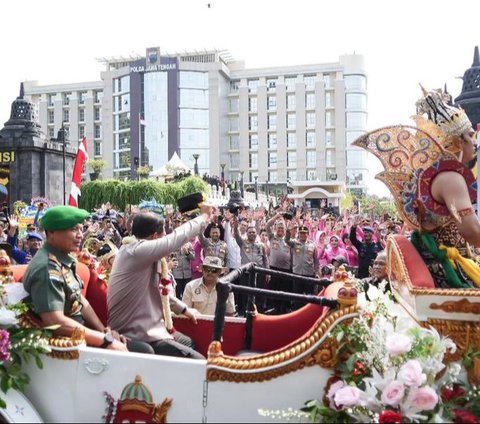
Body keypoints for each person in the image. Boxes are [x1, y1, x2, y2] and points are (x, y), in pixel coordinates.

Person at [353, 86, 479, 288]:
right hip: (449, 273)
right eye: (471, 135)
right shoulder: (450, 178)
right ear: (457, 139)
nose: (475, 141)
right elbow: (470, 230)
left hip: (436, 265)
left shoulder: (432, 175)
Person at [22, 205, 150, 353]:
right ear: (51, 232)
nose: (80, 235)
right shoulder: (46, 268)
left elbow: (79, 299)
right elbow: (55, 322)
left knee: (145, 349)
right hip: (65, 345)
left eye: (80, 229)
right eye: (73, 229)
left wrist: (104, 332)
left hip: (81, 336)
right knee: (144, 352)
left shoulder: (63, 259)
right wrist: (105, 341)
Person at [107, 205, 212, 359]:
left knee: (188, 343)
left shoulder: (140, 253)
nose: (166, 235)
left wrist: (183, 309)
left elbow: (160, 291)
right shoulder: (136, 252)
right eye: (164, 233)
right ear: (155, 236)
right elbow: (176, 238)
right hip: (134, 334)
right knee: (199, 361)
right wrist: (203, 217)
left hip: (152, 329)